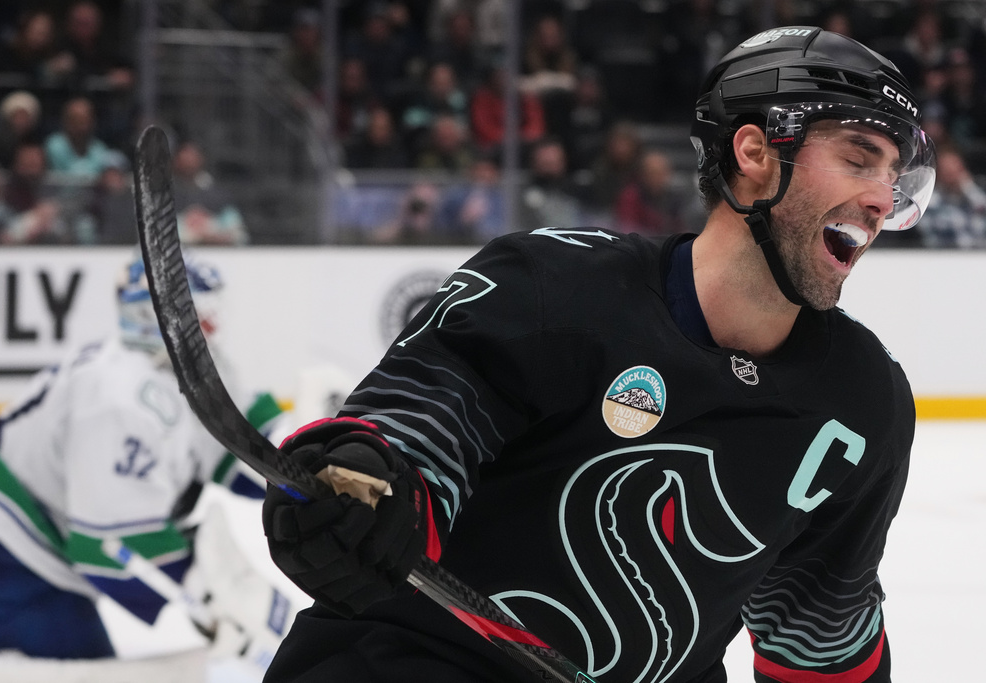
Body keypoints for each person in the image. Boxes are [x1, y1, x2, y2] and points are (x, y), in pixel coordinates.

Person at [261, 26, 937, 682]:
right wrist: (365, 485)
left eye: (894, 175)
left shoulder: (861, 402)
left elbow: (818, 629)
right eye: (858, 158)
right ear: (756, 151)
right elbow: (417, 432)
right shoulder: (553, 286)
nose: (883, 199)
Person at [0, 256, 287, 662]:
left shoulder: (182, 370)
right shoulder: (117, 397)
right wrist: (201, 591)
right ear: (156, 317)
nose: (212, 329)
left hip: (15, 544)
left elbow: (239, 448)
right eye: (200, 317)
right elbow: (111, 543)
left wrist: (312, 457)